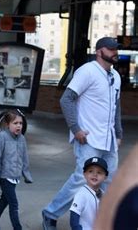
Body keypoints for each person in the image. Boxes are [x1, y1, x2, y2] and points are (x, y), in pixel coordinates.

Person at [42, 36, 123, 230]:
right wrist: (75, 129)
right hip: (88, 137)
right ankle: (50, 213)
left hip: (109, 139)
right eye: (111, 49)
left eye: (116, 49)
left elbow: (116, 106)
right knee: (81, 180)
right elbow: (66, 99)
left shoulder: (116, 76)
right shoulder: (87, 71)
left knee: (108, 180)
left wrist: (118, 133)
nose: (115, 53)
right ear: (99, 51)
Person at [0, 109, 33, 230]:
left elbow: (24, 157)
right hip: (4, 176)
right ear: (7, 125)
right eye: (15, 123)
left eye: (20, 123)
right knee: (14, 204)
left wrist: (26, 175)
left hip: (15, 176)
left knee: (4, 201)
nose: (18, 126)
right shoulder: (1, 137)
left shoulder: (21, 139)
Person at [70, 157, 108, 230]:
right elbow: (74, 216)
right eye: (90, 171)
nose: (95, 175)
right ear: (84, 174)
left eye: (99, 172)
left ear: (105, 177)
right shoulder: (81, 194)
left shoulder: (103, 194)